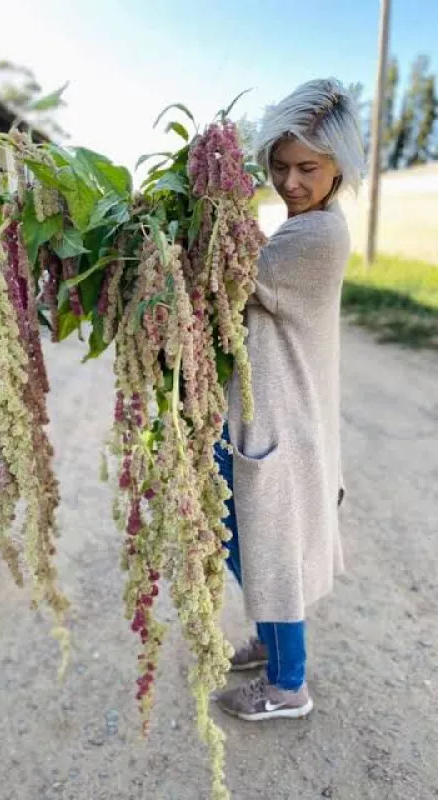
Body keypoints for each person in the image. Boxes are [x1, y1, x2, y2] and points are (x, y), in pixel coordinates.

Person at [214, 78, 365, 722]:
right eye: (278, 167)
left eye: (308, 167)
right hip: (269, 410)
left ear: (341, 166)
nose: (291, 182)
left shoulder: (315, 238)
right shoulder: (305, 223)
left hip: (280, 417)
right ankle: (272, 640)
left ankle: (288, 685)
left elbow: (219, 277)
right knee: (247, 540)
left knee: (270, 547)